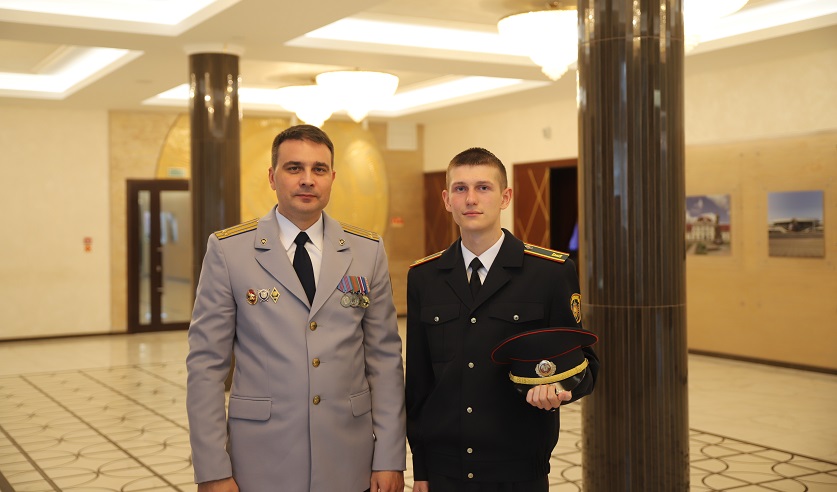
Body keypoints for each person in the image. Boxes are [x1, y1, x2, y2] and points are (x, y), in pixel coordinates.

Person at [186, 125, 406, 492]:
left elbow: (384, 361)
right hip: (260, 462)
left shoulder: (367, 251)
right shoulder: (229, 251)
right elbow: (206, 366)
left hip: (348, 460)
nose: (307, 179)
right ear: (272, 177)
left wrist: (389, 457)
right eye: (294, 168)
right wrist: (212, 470)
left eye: (319, 169)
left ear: (332, 178)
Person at [405, 147, 599, 492]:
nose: (471, 199)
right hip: (445, 467)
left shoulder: (549, 273)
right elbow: (419, 381)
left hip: (518, 466)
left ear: (505, 197)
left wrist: (560, 388)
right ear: (447, 200)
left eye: (483, 187)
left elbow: (585, 365)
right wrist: (421, 467)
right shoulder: (424, 277)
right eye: (460, 189)